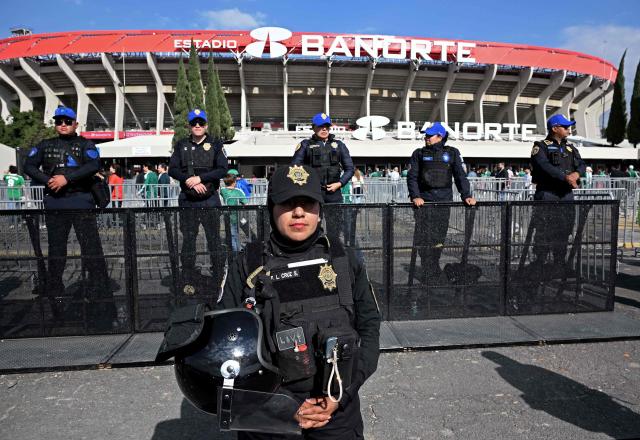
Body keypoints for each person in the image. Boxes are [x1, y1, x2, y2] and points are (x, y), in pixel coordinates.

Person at [217, 164, 381, 439]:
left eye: (307, 203)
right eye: (287, 203)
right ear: (271, 208)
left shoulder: (345, 259)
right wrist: (281, 404)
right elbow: (227, 342)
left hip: (337, 410)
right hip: (267, 410)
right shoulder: (247, 264)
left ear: (319, 209)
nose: (298, 212)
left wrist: (341, 394)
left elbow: (370, 327)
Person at [23, 106, 113, 328]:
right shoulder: (45, 145)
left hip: (81, 202)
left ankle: (100, 296)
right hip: (56, 204)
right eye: (59, 121)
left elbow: (93, 165)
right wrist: (48, 180)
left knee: (92, 252)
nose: (63, 124)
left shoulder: (85, 144)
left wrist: (67, 179)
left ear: (75, 124)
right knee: (57, 254)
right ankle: (57, 299)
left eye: (67, 121)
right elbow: (29, 165)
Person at [407, 121, 476, 282]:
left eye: (430, 135)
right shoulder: (419, 153)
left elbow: (460, 176)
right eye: (426, 135)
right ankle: (426, 267)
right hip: (424, 204)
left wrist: (466, 195)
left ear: (440, 136)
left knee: (439, 238)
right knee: (424, 239)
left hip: (444, 203)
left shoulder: (452, 153)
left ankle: (434, 265)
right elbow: (412, 178)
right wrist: (415, 196)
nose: (426, 138)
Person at [168, 108, 228, 287]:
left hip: (210, 199)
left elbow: (222, 169)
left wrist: (200, 178)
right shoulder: (181, 145)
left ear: (206, 125)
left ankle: (217, 273)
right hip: (188, 199)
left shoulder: (216, 144)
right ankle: (188, 274)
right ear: (189, 126)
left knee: (214, 238)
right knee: (188, 239)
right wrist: (189, 180)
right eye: (194, 123)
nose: (197, 126)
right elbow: (173, 169)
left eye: (201, 123)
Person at [529, 114, 586, 269]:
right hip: (547, 193)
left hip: (566, 195)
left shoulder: (571, 148)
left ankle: (559, 262)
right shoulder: (540, 146)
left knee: (564, 229)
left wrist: (577, 174)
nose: (569, 129)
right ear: (555, 128)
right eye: (565, 127)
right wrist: (565, 177)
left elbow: (581, 164)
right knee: (543, 229)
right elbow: (544, 166)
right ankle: (540, 262)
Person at [292, 112, 354, 242]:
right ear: (314, 127)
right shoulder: (305, 145)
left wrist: (340, 183)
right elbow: (295, 169)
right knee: (312, 227)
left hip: (334, 194)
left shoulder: (339, 145)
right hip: (313, 194)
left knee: (335, 229)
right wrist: (308, 186)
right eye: (321, 126)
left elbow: (349, 169)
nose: (324, 129)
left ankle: (334, 254)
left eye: (327, 126)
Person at [220, 173, 247, 251]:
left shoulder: (223, 191)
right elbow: (245, 202)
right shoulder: (238, 191)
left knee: (232, 235)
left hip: (228, 217)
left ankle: (236, 250)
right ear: (234, 182)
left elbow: (220, 190)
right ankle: (236, 253)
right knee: (235, 235)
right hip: (238, 216)